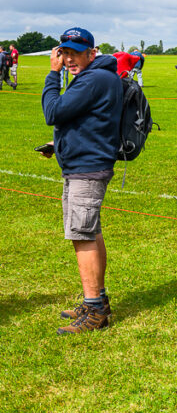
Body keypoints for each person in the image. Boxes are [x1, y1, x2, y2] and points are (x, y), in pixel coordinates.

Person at [41, 28, 123, 334]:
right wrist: (59, 146)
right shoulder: (98, 76)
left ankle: (94, 311)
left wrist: (52, 75)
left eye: (76, 52)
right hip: (86, 163)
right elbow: (89, 122)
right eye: (65, 53)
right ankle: (97, 300)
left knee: (82, 234)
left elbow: (54, 111)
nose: (69, 59)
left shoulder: (95, 78)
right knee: (90, 231)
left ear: (92, 52)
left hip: (87, 168)